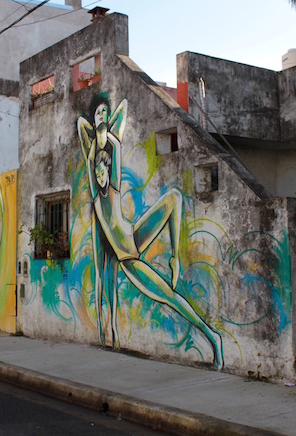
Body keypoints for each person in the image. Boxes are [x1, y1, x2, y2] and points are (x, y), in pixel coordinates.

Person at [77, 94, 224, 369]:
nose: (100, 176)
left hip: (133, 238)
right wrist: (96, 137)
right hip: (128, 257)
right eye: (96, 174)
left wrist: (104, 129)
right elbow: (84, 138)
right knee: (169, 296)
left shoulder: (114, 183)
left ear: (110, 171)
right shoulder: (96, 200)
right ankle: (212, 336)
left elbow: (116, 138)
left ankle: (175, 259)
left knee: (173, 199)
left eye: (103, 172)